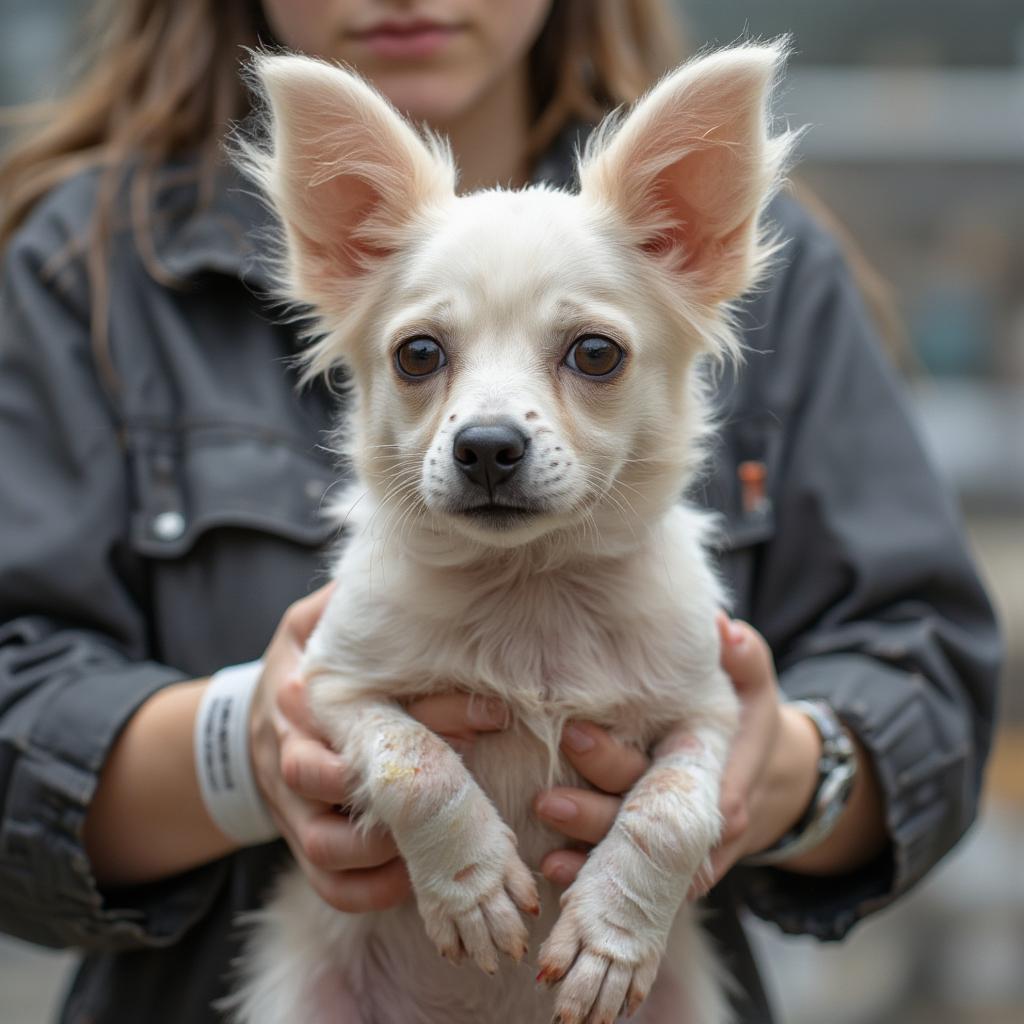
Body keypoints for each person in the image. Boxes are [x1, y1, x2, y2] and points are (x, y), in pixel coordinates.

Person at [0, 2, 1001, 1022]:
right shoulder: (77, 269)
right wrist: (240, 746)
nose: (489, 431)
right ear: (332, 249)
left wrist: (778, 771)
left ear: (698, 245)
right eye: (423, 357)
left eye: (592, 356)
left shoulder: (713, 250)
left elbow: (931, 687)